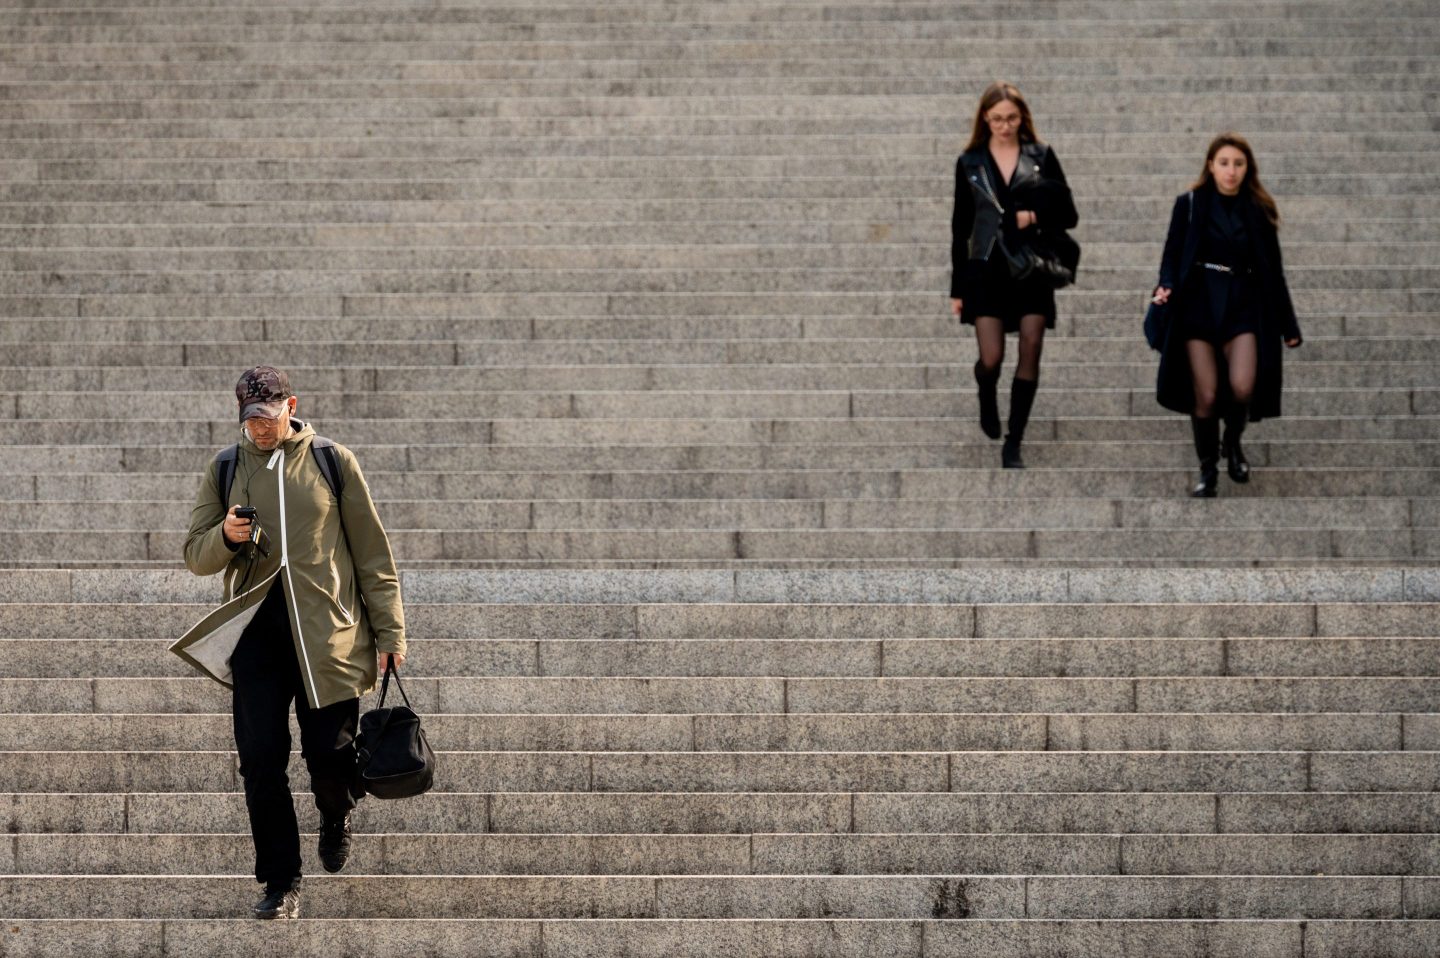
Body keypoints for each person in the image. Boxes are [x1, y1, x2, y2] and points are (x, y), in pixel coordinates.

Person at [183, 366, 407, 919]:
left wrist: (390, 631)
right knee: (260, 762)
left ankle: (336, 815)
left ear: (291, 405)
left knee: (329, 761)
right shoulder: (225, 467)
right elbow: (195, 553)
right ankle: (281, 882)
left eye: (268, 416)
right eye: (250, 420)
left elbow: (373, 555)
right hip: (256, 638)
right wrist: (225, 538)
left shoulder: (333, 461)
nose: (259, 429)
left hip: (328, 636)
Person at [1150, 133, 1303, 496]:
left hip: (1243, 303)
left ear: (1247, 168)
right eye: (1224, 163)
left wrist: (1288, 324)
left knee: (1242, 385)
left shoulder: (1258, 210)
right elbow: (1172, 255)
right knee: (1204, 393)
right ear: (1210, 166)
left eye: (1238, 164)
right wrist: (1166, 285)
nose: (1230, 171)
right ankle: (1208, 471)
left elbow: (1273, 270)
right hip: (1197, 303)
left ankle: (1231, 442)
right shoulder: (1189, 203)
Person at [950, 81, 1078, 468]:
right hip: (986, 267)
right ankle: (986, 392)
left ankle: (1014, 440)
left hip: (1030, 266)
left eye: (1011, 118)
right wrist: (957, 288)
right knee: (991, 357)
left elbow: (1069, 214)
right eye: (997, 119)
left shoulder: (1040, 156)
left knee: (1031, 344)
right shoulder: (969, 162)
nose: (1004, 126)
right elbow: (960, 227)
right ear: (984, 120)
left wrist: (1034, 215)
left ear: (1022, 118)